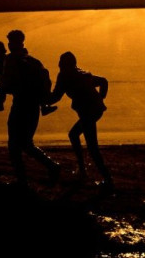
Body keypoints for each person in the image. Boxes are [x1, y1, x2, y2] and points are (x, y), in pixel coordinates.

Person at [0, 29, 61, 187]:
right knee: (26, 143)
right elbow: (45, 82)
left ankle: (23, 181)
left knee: (14, 145)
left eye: (11, 42)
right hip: (33, 107)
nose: (10, 45)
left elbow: (6, 84)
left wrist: (0, 99)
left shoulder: (11, 60)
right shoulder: (34, 62)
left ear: (13, 44)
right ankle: (51, 166)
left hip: (20, 106)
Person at [46, 51, 114, 193]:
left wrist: (42, 99)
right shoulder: (83, 74)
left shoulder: (64, 76)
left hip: (88, 113)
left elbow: (56, 97)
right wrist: (100, 98)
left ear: (64, 64)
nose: (58, 64)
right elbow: (104, 81)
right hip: (95, 110)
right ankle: (82, 169)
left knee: (92, 147)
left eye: (60, 62)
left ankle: (107, 179)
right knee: (74, 135)